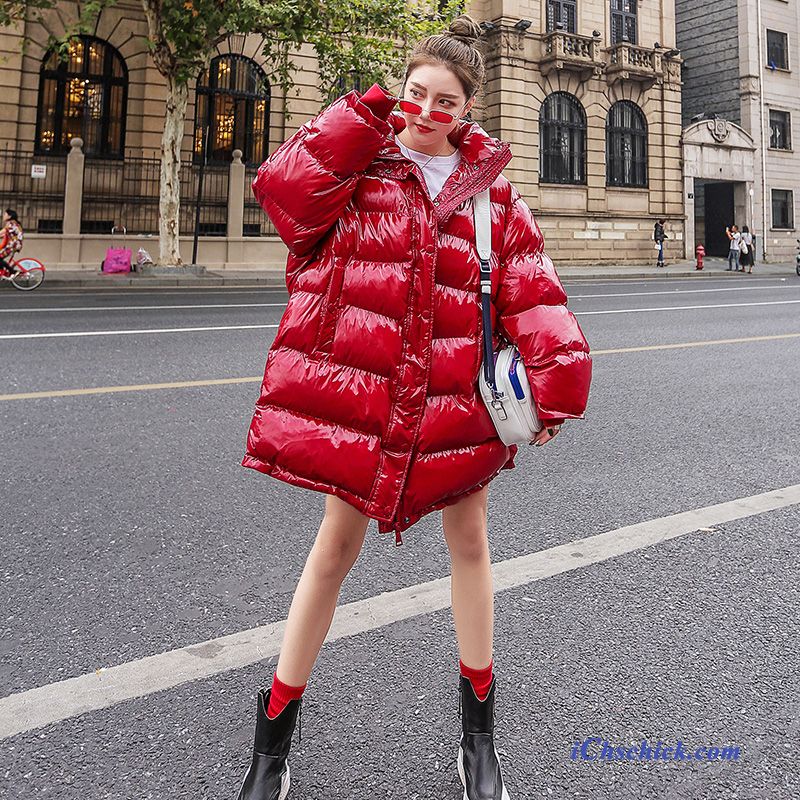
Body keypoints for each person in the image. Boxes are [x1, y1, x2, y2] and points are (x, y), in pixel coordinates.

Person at [235, 15, 592, 800]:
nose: (426, 112)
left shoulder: (491, 190)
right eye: (415, 95)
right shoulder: (361, 161)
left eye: (446, 102)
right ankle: (273, 741)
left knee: (471, 546)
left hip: (455, 398)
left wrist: (557, 382)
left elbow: (532, 286)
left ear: (469, 110)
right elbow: (286, 197)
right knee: (332, 552)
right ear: (399, 94)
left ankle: (479, 740)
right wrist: (356, 117)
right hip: (366, 397)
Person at [0, 209, 24, 274]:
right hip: (14, 244)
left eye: (5, 214)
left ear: (9, 216)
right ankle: (3, 272)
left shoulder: (11, 223)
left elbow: (3, 231)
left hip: (13, 245)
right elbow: (5, 234)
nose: (3, 216)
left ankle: (12, 272)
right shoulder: (14, 223)